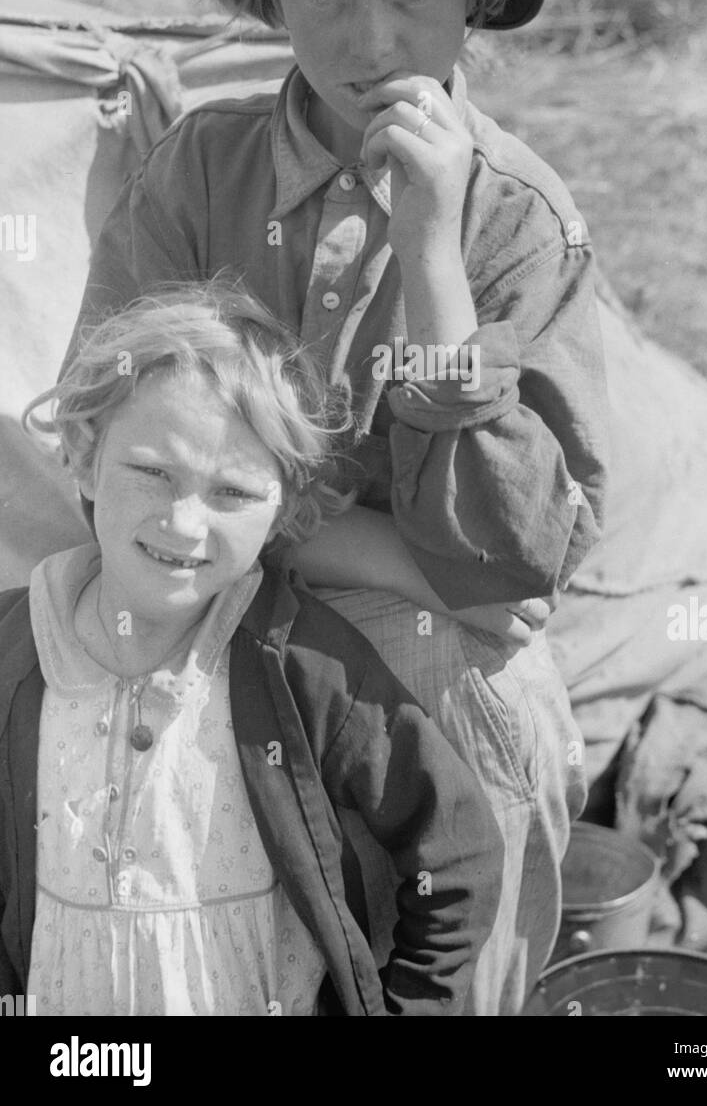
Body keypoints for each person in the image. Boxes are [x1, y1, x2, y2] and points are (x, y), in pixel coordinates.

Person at [61, 0, 609, 1013]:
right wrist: (367, 544)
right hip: (194, 579)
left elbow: (504, 572)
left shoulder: (519, 221)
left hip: (419, 645)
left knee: (483, 769)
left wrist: (428, 254)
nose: (371, 43)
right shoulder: (202, 170)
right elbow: (113, 439)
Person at [0, 283, 503, 1017]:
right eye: (152, 471)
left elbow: (457, 852)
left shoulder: (302, 663)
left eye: (232, 493)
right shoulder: (16, 650)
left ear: (283, 512)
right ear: (81, 455)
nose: (183, 523)